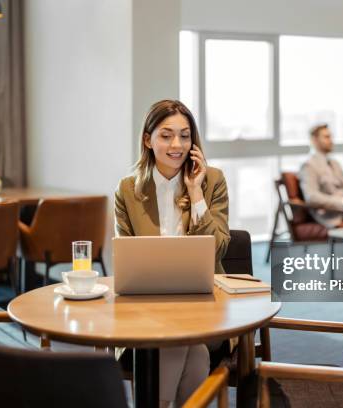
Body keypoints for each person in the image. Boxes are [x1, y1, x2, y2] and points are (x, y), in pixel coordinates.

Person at [114, 100, 230, 407]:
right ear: (147, 139)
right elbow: (125, 261)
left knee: (175, 341)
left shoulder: (213, 180)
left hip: (205, 308)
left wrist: (195, 191)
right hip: (147, 310)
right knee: (192, 351)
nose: (176, 144)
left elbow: (217, 249)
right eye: (166, 135)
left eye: (184, 135)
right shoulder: (127, 190)